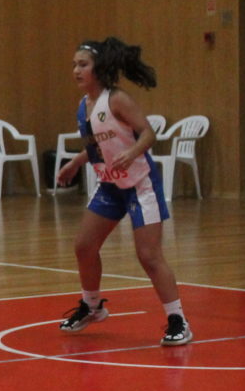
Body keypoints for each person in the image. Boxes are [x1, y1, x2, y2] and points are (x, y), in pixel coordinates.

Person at [55, 37, 191, 346]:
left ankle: (178, 319)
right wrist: (76, 162)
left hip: (140, 184)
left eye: (83, 65)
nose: (76, 70)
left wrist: (133, 153)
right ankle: (91, 307)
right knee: (84, 246)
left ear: (99, 68)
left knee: (149, 255)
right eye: (74, 65)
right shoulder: (84, 106)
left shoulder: (116, 99)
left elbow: (148, 132)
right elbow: (95, 146)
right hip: (111, 185)